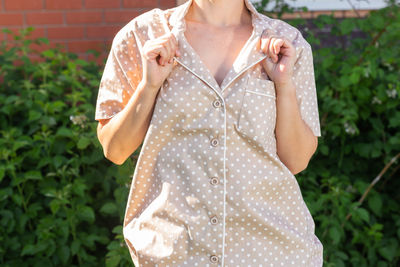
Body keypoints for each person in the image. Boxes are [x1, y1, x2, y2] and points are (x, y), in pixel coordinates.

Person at [95, 0, 323, 266]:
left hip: (272, 251)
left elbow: (297, 160)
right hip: (176, 253)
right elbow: (115, 149)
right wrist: (149, 86)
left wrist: (283, 85)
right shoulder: (142, 36)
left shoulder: (287, 43)